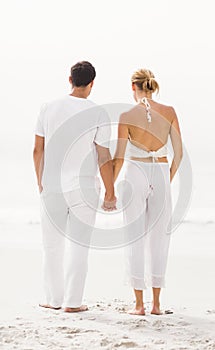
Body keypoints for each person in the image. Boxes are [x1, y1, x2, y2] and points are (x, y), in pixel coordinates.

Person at [33, 61, 116, 313]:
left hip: (52, 187)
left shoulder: (47, 108)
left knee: (51, 245)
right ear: (91, 84)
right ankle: (72, 302)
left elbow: (38, 150)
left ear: (69, 79)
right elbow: (104, 157)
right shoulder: (99, 112)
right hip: (84, 190)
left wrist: (41, 181)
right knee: (80, 246)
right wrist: (110, 192)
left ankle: (53, 299)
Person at [113, 68, 183, 315]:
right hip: (161, 171)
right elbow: (179, 154)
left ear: (134, 87)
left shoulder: (126, 114)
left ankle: (139, 305)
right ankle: (156, 304)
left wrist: (109, 187)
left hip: (135, 173)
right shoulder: (170, 112)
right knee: (159, 239)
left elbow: (119, 158)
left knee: (134, 237)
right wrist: (165, 179)